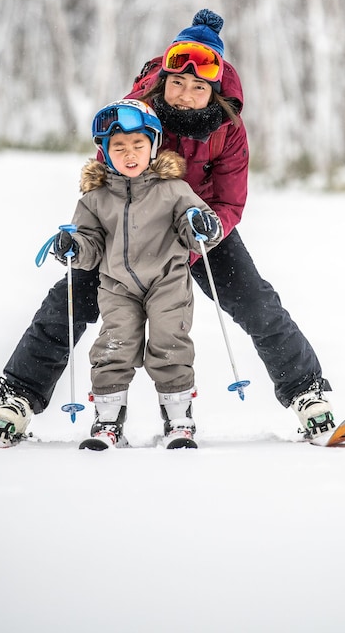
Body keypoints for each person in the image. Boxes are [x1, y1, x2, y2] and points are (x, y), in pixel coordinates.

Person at [0, 9, 334, 445]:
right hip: (126, 232)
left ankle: (308, 394)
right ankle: (17, 398)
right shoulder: (131, 115)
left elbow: (229, 202)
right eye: (178, 83)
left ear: (214, 91)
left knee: (256, 303)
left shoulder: (228, 130)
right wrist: (88, 241)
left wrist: (196, 236)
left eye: (198, 87)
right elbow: (107, 181)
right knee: (68, 302)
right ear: (163, 80)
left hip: (197, 231)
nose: (185, 95)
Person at [48, 98, 222, 451]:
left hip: (167, 280)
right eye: (119, 147)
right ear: (105, 151)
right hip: (117, 287)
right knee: (114, 346)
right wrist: (73, 247)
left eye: (138, 144)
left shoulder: (174, 189)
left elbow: (198, 231)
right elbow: (90, 244)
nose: (129, 154)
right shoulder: (95, 198)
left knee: (169, 342)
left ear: (153, 145)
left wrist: (203, 226)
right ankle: (108, 423)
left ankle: (179, 421)